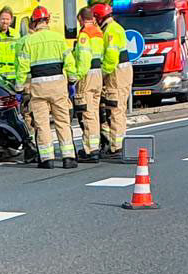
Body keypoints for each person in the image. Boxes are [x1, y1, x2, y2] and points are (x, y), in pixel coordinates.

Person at [15, 6, 80, 169]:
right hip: (58, 85)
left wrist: (19, 88)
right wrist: (72, 80)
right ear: (47, 20)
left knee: (42, 123)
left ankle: (46, 159)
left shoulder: (29, 41)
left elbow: (22, 68)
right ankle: (68, 158)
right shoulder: (58, 39)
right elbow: (69, 62)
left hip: (39, 87)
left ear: (33, 22)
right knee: (62, 121)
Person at [95, 2, 133, 160]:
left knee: (115, 109)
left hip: (116, 74)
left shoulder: (111, 30)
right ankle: (115, 144)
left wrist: (102, 73)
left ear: (99, 18)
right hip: (120, 73)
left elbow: (111, 57)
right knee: (116, 108)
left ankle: (116, 147)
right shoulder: (114, 28)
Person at [72, 7, 105, 163]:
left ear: (81, 19)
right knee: (94, 112)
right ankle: (95, 146)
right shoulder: (98, 33)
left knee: (87, 113)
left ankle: (90, 150)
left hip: (87, 74)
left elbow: (84, 59)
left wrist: (77, 76)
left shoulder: (85, 34)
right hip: (98, 74)